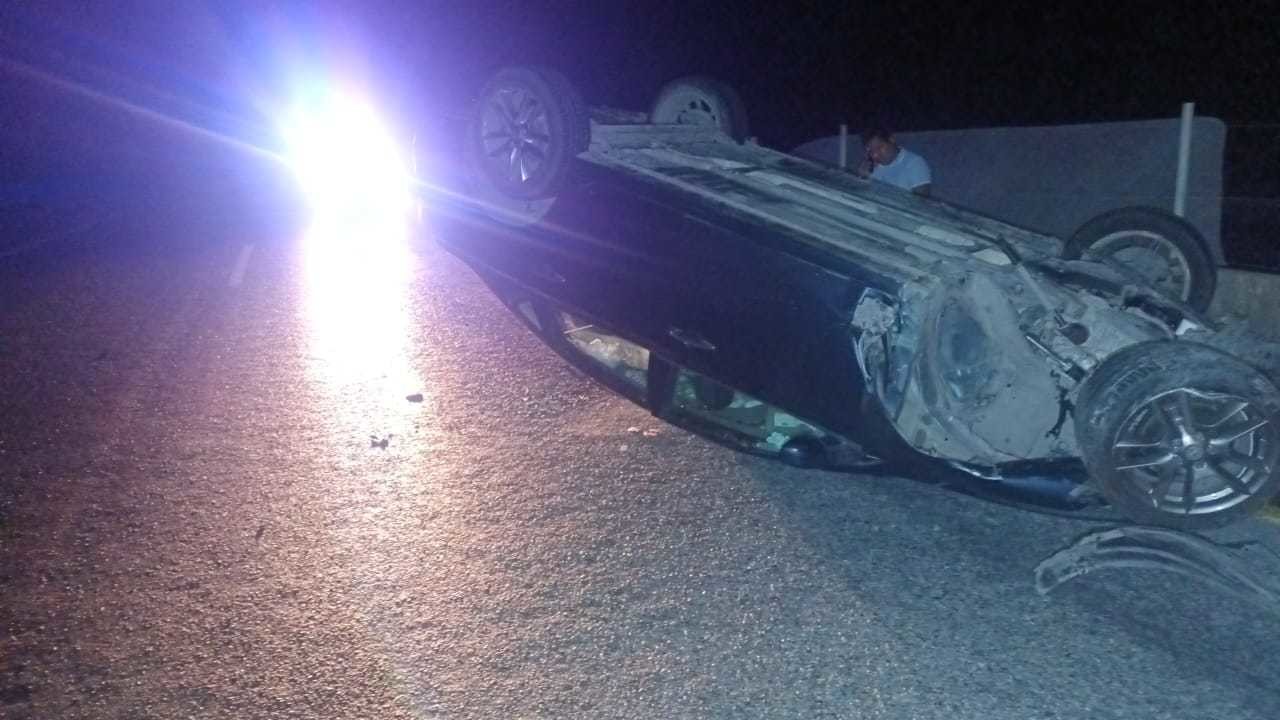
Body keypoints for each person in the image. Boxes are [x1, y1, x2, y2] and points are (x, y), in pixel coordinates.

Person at [855, 128, 932, 196]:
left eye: (879, 147)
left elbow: (922, 203)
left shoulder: (914, 164)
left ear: (891, 140)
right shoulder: (871, 168)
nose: (875, 155)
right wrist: (862, 178)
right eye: (870, 151)